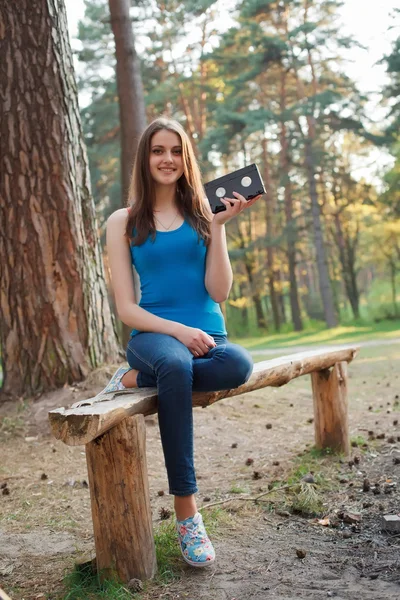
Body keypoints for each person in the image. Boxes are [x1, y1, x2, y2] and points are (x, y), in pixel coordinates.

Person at [102, 117, 261, 568]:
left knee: (239, 366)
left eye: (175, 150)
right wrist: (176, 331)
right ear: (145, 159)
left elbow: (219, 292)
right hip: (154, 336)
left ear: (185, 157)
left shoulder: (201, 214)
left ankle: (133, 380)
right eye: (157, 150)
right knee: (173, 364)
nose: (167, 159)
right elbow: (126, 309)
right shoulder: (123, 221)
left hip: (209, 337)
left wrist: (219, 227)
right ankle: (187, 511)